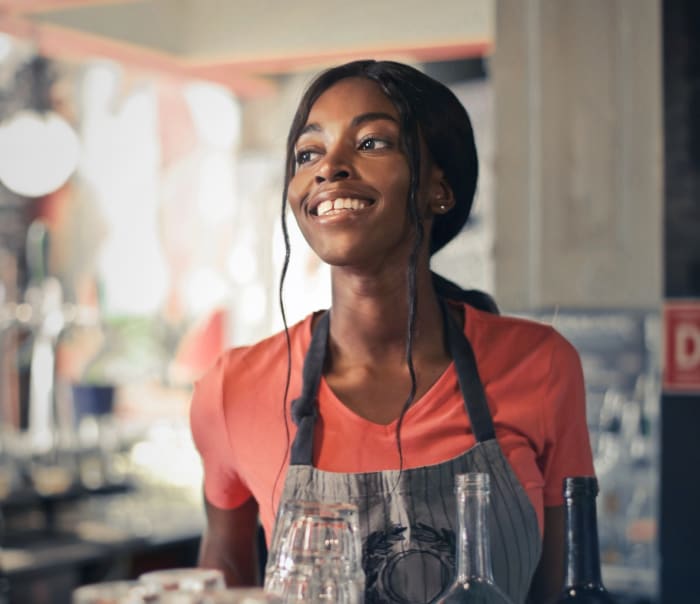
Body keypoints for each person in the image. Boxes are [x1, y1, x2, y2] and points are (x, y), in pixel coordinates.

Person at [190, 59, 594, 604]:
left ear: (439, 189)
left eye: (372, 143)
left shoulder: (541, 365)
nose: (328, 168)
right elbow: (222, 588)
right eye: (308, 153)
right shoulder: (232, 388)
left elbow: (563, 591)